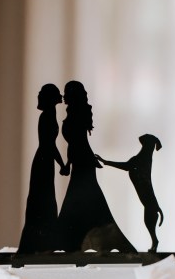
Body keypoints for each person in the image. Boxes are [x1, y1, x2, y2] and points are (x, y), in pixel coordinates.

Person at [57, 81, 136, 252]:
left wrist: (70, 163)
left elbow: (78, 142)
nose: (64, 96)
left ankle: (71, 238)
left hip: (82, 160)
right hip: (81, 160)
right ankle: (75, 238)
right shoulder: (74, 113)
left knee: (81, 196)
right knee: (83, 196)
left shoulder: (76, 115)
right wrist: (69, 163)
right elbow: (75, 144)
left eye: (66, 92)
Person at [18, 84, 67, 253]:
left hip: (45, 161)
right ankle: (38, 241)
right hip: (44, 161)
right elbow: (49, 145)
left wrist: (61, 163)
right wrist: (62, 164)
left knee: (44, 199)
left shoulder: (49, 115)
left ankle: (45, 241)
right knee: (42, 199)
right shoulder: (46, 117)